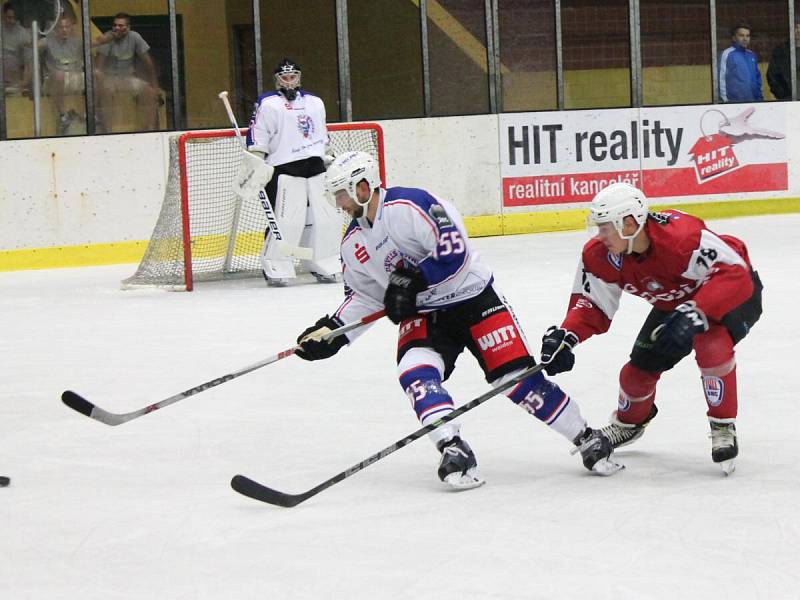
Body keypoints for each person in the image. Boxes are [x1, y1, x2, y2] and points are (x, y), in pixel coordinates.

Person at [292, 151, 622, 490]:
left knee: (516, 380)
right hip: (426, 314)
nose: (340, 203)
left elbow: (454, 250)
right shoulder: (353, 244)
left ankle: (585, 436)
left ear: (363, 186)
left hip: (473, 297)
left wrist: (415, 279)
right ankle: (452, 446)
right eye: (336, 196)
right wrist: (334, 330)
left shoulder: (410, 205)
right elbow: (365, 296)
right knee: (414, 373)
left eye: (343, 194)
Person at [539, 182, 763, 475]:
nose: (600, 235)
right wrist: (567, 336)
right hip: (677, 302)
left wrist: (696, 312)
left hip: (732, 293)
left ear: (629, 223)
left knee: (712, 345)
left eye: (606, 227)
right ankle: (629, 423)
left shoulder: (682, 238)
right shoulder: (599, 255)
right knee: (635, 374)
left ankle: (722, 425)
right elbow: (593, 304)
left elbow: (735, 273)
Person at [239, 58, 341, 287]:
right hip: (283, 167)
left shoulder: (315, 102)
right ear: (277, 80)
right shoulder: (268, 103)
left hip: (315, 165)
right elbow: (259, 134)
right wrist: (257, 159)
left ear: (299, 77)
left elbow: (322, 134)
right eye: (284, 77)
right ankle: (276, 264)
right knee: (288, 220)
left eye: (293, 76)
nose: (289, 81)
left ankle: (322, 261)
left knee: (324, 218)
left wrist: (329, 157)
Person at [94, 12, 160, 132]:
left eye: (121, 26)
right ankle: (107, 130)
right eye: (115, 25)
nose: (117, 28)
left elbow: (148, 63)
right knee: (105, 91)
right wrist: (102, 82)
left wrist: (154, 85)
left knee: (149, 92)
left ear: (128, 28)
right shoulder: (107, 37)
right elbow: (98, 67)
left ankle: (150, 130)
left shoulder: (135, 37)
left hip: (128, 78)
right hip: (110, 79)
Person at [39, 15, 84, 134]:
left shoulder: (79, 41)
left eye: (67, 27)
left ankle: (89, 115)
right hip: (53, 79)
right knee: (60, 75)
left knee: (96, 74)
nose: (64, 30)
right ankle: (62, 116)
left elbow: (97, 42)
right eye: (60, 27)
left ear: (71, 28)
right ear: (55, 29)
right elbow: (30, 46)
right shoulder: (46, 42)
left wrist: (111, 35)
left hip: (74, 77)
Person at [719, 22, 763, 103]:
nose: (745, 39)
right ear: (734, 38)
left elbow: (758, 78)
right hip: (734, 103)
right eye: (741, 35)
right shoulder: (727, 54)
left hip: (754, 102)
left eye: (747, 36)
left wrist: (759, 98)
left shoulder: (752, 55)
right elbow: (721, 79)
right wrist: (726, 101)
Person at [766, 19, 800, 100]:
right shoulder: (780, 52)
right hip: (788, 100)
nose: (798, 30)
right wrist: (783, 95)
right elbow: (772, 76)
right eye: (796, 27)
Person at [2, 2, 31, 94]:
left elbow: (28, 64)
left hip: (15, 79)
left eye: (14, 18)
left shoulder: (24, 34)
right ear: (3, 15)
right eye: (9, 17)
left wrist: (24, 83)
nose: (12, 21)